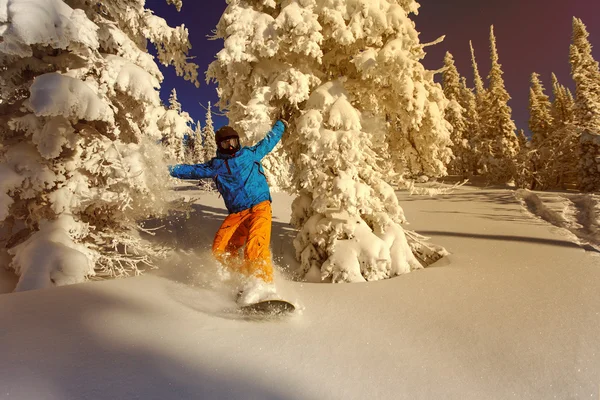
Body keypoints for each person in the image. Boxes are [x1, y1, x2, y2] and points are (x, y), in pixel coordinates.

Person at [169, 120, 287, 305]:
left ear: (238, 141)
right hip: (237, 213)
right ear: (219, 146)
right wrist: (169, 170)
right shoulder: (216, 165)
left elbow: (268, 142)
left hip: (260, 206)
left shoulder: (249, 154)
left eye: (233, 141)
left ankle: (263, 285)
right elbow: (191, 171)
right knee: (221, 249)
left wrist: (281, 125)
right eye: (226, 143)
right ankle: (242, 280)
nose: (230, 146)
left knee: (255, 245)